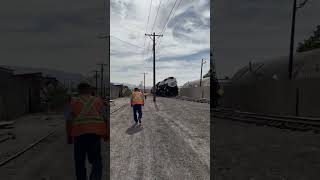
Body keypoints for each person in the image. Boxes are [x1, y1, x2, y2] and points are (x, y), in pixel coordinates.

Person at [65, 82, 108, 180]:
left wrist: (68, 136)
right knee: (96, 161)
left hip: (79, 135)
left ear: (79, 90)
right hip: (95, 135)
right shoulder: (99, 101)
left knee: (79, 162)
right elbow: (105, 119)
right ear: (90, 90)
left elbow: (68, 120)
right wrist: (106, 133)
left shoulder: (73, 102)